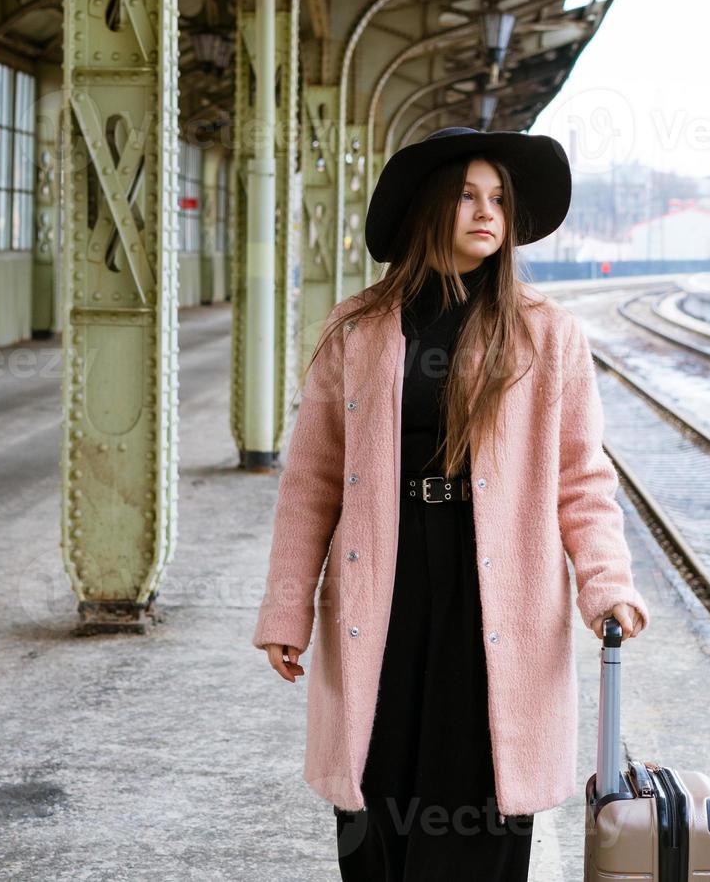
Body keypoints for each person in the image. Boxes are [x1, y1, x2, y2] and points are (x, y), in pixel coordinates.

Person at [251, 126, 651, 881]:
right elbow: (311, 482)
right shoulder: (359, 329)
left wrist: (606, 582)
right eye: (467, 195)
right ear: (430, 208)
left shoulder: (546, 333)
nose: (486, 211)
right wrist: (285, 610)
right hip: (386, 590)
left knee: (484, 787)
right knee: (379, 786)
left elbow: (582, 479)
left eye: (498, 197)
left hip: (497, 595)